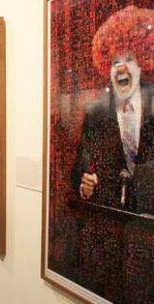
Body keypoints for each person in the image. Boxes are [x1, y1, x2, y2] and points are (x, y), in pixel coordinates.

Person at [72, 5, 154, 213]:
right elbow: (82, 165)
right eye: (115, 61)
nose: (121, 67)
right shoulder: (96, 112)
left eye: (128, 59)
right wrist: (84, 184)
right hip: (111, 216)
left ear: (141, 63)